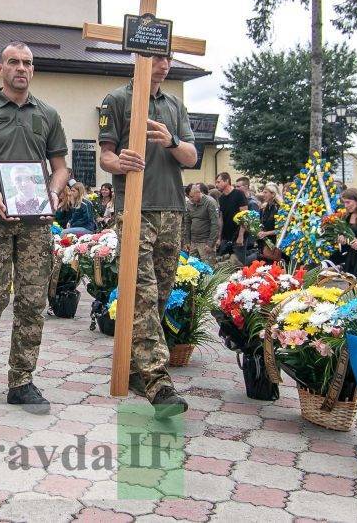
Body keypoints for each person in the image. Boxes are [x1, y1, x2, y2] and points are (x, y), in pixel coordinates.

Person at [0, 41, 68, 413]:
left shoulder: (48, 114)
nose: (21, 68)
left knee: (33, 301)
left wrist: (54, 191)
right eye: (14, 62)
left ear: (33, 70)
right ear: (0, 69)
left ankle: (21, 379)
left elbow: (60, 166)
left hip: (36, 222)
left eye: (28, 63)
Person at [99, 52, 196, 417]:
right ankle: (158, 382)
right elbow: (105, 156)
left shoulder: (174, 105)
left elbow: (190, 156)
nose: (164, 63)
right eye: (156, 56)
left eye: (168, 57)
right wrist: (118, 162)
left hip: (172, 208)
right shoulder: (118, 99)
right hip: (134, 208)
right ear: (140, 59)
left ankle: (137, 369)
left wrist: (171, 141)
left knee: (160, 295)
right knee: (142, 292)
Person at [215, 172, 249, 264]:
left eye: (218, 182)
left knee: (238, 264)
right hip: (226, 237)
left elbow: (245, 216)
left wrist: (241, 235)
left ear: (226, 181)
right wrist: (219, 237)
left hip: (238, 235)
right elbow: (221, 218)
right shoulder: (221, 198)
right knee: (224, 264)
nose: (216, 184)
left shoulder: (239, 194)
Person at [183, 182, 220, 263]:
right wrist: (187, 241)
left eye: (192, 197)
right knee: (192, 268)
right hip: (194, 242)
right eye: (189, 197)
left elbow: (215, 224)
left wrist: (211, 243)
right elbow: (187, 223)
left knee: (208, 269)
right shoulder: (190, 204)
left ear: (198, 193)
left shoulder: (210, 202)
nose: (190, 199)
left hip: (205, 242)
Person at [255, 182, 283, 262]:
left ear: (273, 194)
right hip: (265, 243)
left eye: (265, 192)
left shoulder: (280, 208)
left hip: (275, 243)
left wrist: (266, 233)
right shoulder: (265, 207)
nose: (263, 194)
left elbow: (283, 229)